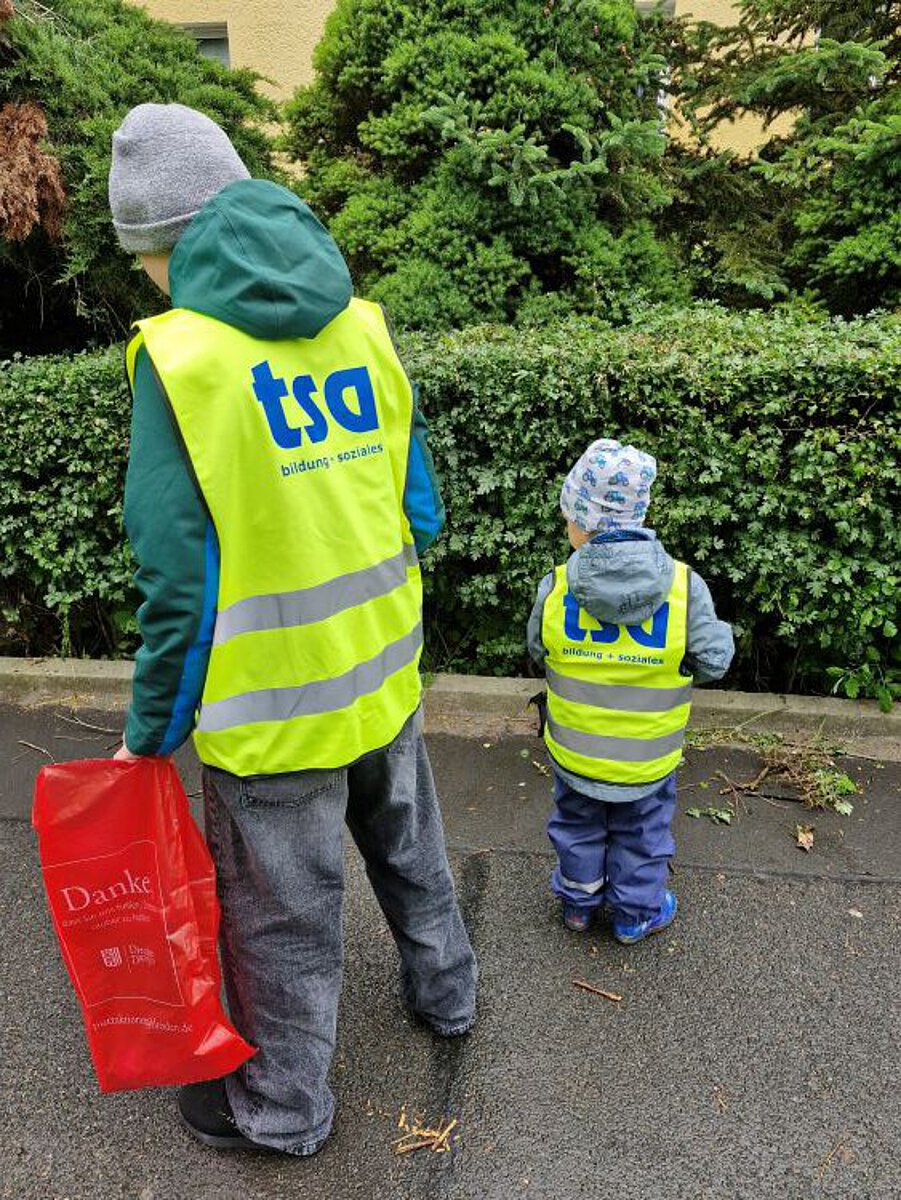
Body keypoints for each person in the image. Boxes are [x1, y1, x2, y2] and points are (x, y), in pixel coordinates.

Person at [107, 102, 477, 1155]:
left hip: (270, 711)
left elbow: (176, 577)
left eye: (141, 258)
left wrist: (151, 729)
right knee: (412, 851)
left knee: (284, 924)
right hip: (383, 666)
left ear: (161, 246)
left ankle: (280, 1113)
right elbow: (420, 506)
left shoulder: (179, 358)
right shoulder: (358, 318)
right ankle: (448, 996)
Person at [527, 438, 734, 942]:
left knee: (577, 825)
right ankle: (634, 914)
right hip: (648, 757)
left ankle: (578, 903)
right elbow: (715, 661)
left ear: (582, 522)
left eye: (568, 517)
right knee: (643, 835)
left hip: (576, 751)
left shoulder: (556, 587)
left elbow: (539, 650)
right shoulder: (685, 587)